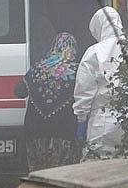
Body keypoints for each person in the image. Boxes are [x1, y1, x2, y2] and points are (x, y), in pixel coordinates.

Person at [15, 32, 81, 171]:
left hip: (35, 131)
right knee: (62, 175)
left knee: (39, 175)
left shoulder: (37, 69)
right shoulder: (77, 71)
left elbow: (19, 92)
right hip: (64, 131)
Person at [73, 7, 125, 161]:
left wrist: (81, 120)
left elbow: (84, 89)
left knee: (98, 169)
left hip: (102, 122)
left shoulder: (94, 52)